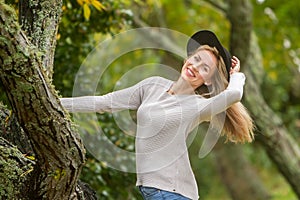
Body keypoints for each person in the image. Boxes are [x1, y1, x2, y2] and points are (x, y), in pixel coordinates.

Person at [60, 30, 254, 200]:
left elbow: (234, 94)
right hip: (155, 191)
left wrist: (237, 75)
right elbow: (104, 102)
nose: (195, 67)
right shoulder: (152, 85)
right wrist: (56, 103)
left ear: (208, 80)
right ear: (188, 58)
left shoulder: (197, 106)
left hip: (173, 192)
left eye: (204, 68)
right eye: (196, 59)